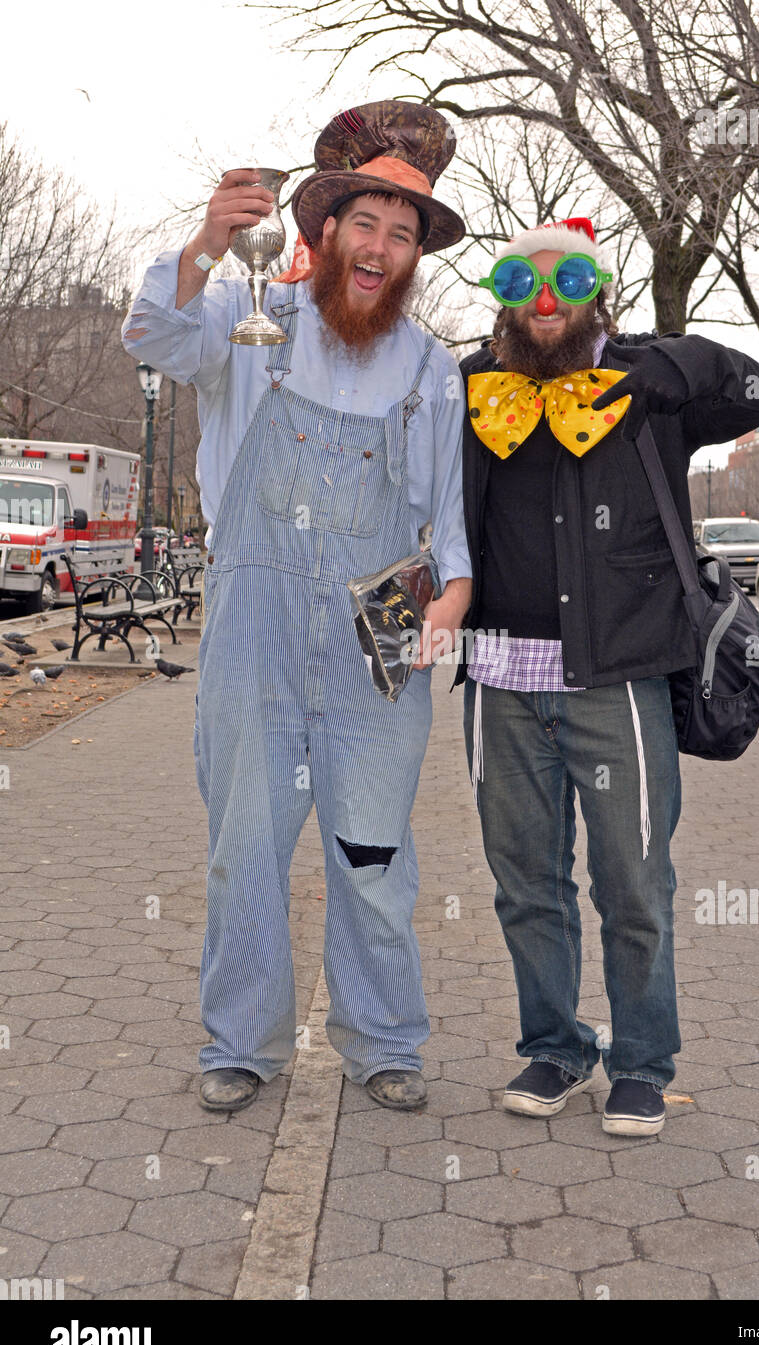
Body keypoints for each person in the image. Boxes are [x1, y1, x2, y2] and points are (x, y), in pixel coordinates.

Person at [122, 101, 472, 1114]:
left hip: (385, 622)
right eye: (365, 225)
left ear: (415, 257)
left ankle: (385, 1038)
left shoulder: (432, 369)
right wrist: (204, 242)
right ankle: (241, 1039)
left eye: (402, 236)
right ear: (322, 231)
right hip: (254, 617)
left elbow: (445, 521)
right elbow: (149, 334)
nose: (380, 248)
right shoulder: (247, 327)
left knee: (373, 851)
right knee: (245, 844)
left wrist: (447, 608)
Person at [453, 217, 759, 1135]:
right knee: (524, 882)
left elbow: (755, 390)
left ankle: (642, 1060)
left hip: (620, 679)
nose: (545, 300)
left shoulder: (649, 387)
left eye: (566, 281)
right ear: (503, 295)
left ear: (598, 289)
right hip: (497, 680)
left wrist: (669, 359)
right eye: (524, 282)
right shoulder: (471, 386)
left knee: (633, 884)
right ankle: (554, 1048)